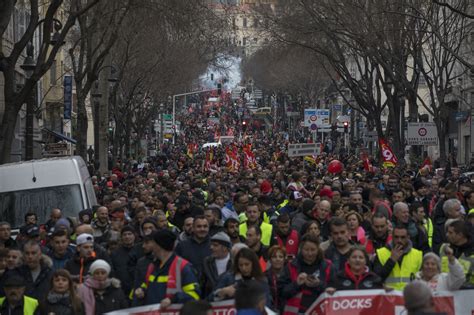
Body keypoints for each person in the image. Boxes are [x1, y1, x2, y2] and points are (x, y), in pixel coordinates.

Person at [136, 229, 200, 307]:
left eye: (153, 243)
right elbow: (147, 285)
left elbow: (194, 294)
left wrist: (172, 299)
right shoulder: (152, 266)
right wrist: (142, 290)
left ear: (158, 245)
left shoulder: (183, 266)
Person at [278, 235, 335, 314]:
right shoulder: (291, 266)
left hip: (320, 311)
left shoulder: (328, 266)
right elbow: (282, 292)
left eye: (313, 250)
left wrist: (318, 284)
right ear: (301, 249)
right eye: (306, 250)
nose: (310, 253)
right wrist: (297, 284)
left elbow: (334, 291)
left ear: (318, 249)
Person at [373, 225, 423, 290]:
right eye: (396, 237)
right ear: (392, 237)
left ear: (408, 237)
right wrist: (391, 261)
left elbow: (423, 279)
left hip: (410, 296)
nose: (399, 240)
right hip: (389, 296)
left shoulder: (417, 255)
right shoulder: (381, 253)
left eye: (403, 237)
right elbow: (377, 279)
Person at [439, 220, 474, 289]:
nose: (447, 235)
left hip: (465, 296)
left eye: (450, 233)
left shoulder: (472, 254)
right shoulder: (444, 248)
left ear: (460, 235)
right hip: (443, 293)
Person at [201, 232, 233, 298]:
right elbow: (202, 284)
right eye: (211, 245)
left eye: (215, 245)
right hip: (210, 301)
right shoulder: (207, 262)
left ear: (224, 248)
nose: (211, 247)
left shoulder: (235, 262)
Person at [110, 225, 136, 296]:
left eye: (129, 234)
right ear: (121, 237)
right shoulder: (115, 254)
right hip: (121, 290)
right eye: (124, 235)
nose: (127, 237)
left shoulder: (140, 250)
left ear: (134, 236)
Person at [265, 245, 286, 312]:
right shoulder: (264, 276)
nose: (277, 259)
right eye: (274, 257)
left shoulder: (289, 276)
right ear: (270, 260)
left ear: (284, 259)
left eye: (281, 257)